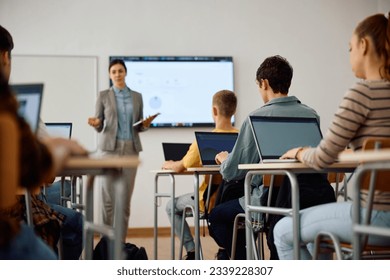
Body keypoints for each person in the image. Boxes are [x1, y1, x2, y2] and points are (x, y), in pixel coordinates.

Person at [274, 12, 390, 260]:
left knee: (283, 231)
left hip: (376, 217)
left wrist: (299, 151)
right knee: (320, 241)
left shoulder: (362, 94)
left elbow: (322, 159)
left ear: (364, 45)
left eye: (350, 48)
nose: (349, 56)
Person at [209, 55, 327, 260]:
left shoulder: (257, 117)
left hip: (266, 202)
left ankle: (245, 263)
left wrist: (223, 159)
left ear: (264, 83)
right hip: (309, 198)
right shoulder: (311, 115)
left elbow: (232, 171)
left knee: (217, 217)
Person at [0, 24, 87, 259]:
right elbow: (40, 175)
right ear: (5, 57)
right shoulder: (8, 105)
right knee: (72, 220)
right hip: (7, 222)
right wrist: (57, 150)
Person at [162, 89, 238, 260]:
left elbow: (182, 166)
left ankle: (192, 251)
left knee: (170, 206)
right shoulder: (242, 137)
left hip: (209, 201)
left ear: (214, 111)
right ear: (234, 111)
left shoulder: (204, 140)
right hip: (236, 200)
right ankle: (225, 249)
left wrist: (170, 164)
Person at [88, 59, 152, 242]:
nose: (117, 74)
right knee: (108, 200)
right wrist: (96, 124)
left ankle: (120, 244)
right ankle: (106, 243)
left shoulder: (137, 97)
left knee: (124, 202)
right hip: (109, 150)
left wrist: (145, 124)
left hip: (131, 150)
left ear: (125, 73)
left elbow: (139, 125)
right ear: (110, 75)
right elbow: (99, 124)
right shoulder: (103, 96)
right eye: (114, 71)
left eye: (120, 71)